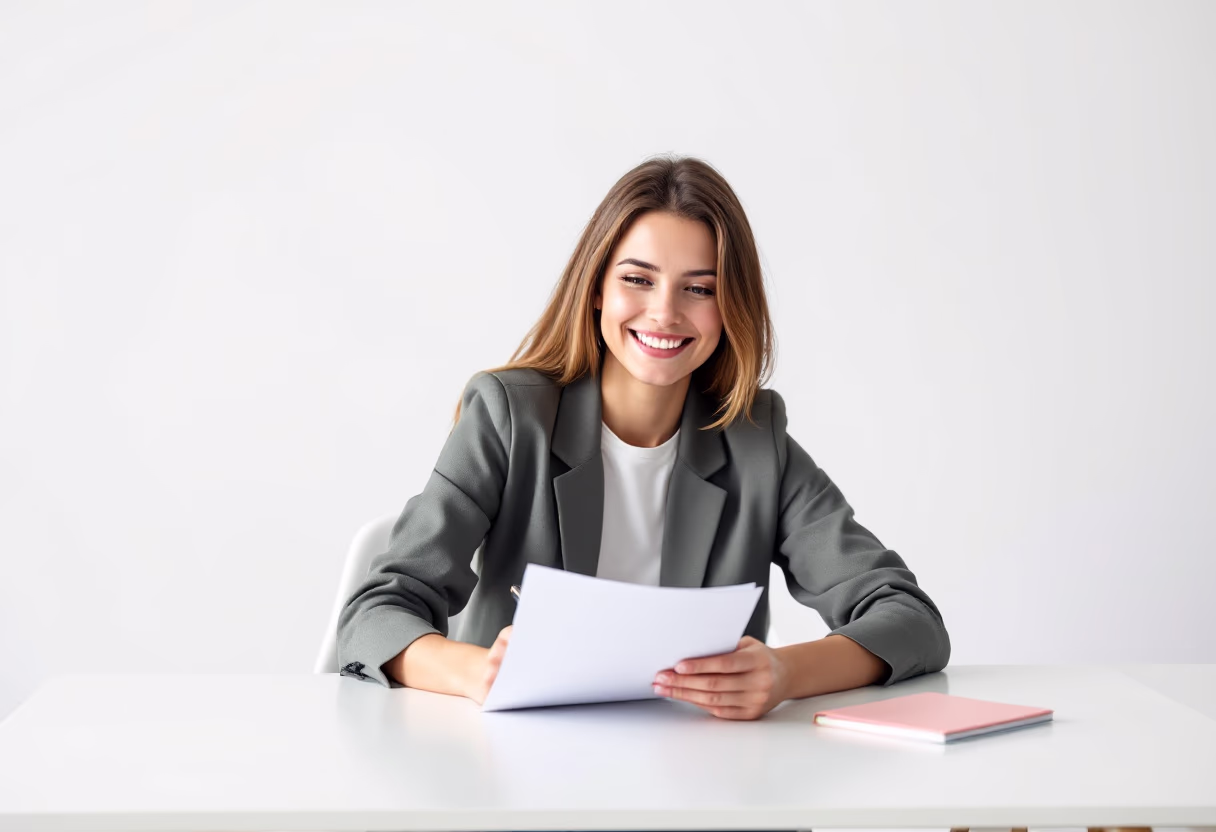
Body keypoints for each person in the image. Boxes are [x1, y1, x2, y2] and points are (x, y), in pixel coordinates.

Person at [336, 154, 950, 721]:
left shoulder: (756, 441)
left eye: (699, 288)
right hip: (515, 762)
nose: (664, 313)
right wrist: (478, 672)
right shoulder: (509, 417)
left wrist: (786, 673)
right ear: (596, 288)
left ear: (730, 307)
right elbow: (374, 615)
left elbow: (909, 618)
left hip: (699, 771)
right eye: (638, 279)